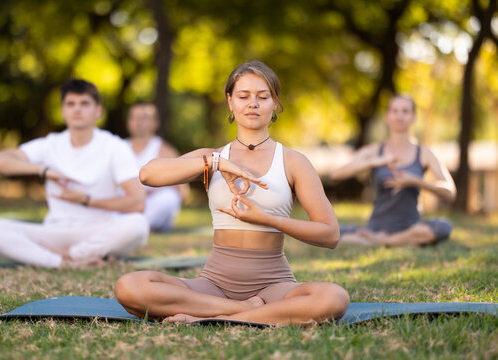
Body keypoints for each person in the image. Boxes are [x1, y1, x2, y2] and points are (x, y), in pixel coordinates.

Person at [115, 61, 349, 327]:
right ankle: (242, 310)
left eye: (263, 97)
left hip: (273, 287)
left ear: (275, 104)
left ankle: (214, 317)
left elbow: (330, 234)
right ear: (230, 101)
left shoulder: (293, 162)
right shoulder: (212, 157)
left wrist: (268, 219)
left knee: (333, 298)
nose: (253, 104)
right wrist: (215, 163)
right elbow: (147, 174)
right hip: (214, 284)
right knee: (130, 286)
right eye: (243, 96)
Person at [0, 79, 149, 268]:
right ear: (62, 111)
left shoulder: (115, 146)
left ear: (98, 111)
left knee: (138, 225)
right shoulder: (50, 144)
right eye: (70, 104)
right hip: (55, 231)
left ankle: (66, 256)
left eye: (84, 104)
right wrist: (44, 171)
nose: (77, 110)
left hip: (97, 231)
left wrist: (86, 200)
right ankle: (61, 261)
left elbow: (138, 202)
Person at [330, 95, 456, 246]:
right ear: (387, 116)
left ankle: (381, 242)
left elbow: (450, 191)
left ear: (414, 117)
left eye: (405, 111)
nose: (399, 116)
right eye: (395, 111)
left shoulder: (424, 153)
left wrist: (416, 181)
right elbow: (336, 174)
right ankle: (394, 241)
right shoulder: (376, 150)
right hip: (376, 227)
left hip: (411, 228)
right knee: (332, 232)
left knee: (444, 227)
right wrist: (373, 161)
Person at [125, 102, 189, 232]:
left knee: (169, 197)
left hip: (150, 205)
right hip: (126, 204)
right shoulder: (119, 147)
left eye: (143, 118)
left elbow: (183, 193)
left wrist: (152, 191)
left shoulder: (165, 150)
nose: (138, 122)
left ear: (155, 123)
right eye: (134, 117)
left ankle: (136, 227)